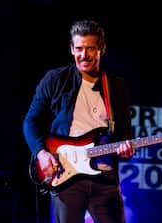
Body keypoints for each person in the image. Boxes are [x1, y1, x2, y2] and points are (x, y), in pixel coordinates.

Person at [23, 19, 135, 223]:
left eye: (91, 49)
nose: (84, 55)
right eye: (79, 48)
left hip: (105, 178)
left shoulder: (117, 87)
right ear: (72, 49)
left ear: (102, 49)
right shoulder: (55, 79)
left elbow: (124, 131)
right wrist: (41, 153)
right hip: (66, 176)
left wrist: (126, 147)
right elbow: (30, 121)